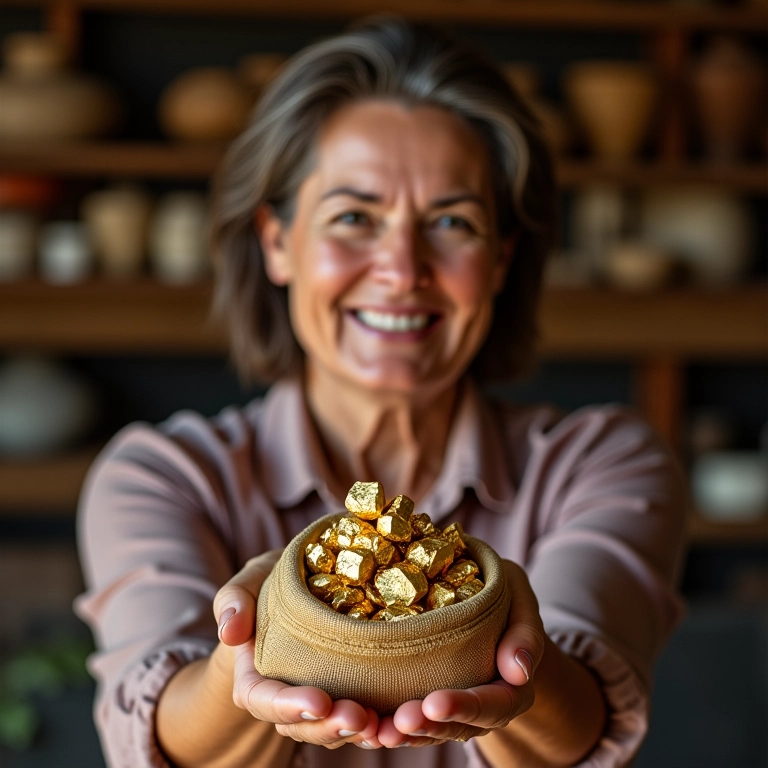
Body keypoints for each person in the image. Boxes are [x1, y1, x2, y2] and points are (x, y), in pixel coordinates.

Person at [74, 17, 687, 768]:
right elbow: (161, 733)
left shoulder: (602, 465)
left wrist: (514, 659)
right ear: (276, 241)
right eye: (354, 217)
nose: (402, 268)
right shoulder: (161, 476)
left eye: (451, 221)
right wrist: (263, 645)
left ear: (499, 260)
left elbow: (584, 726)